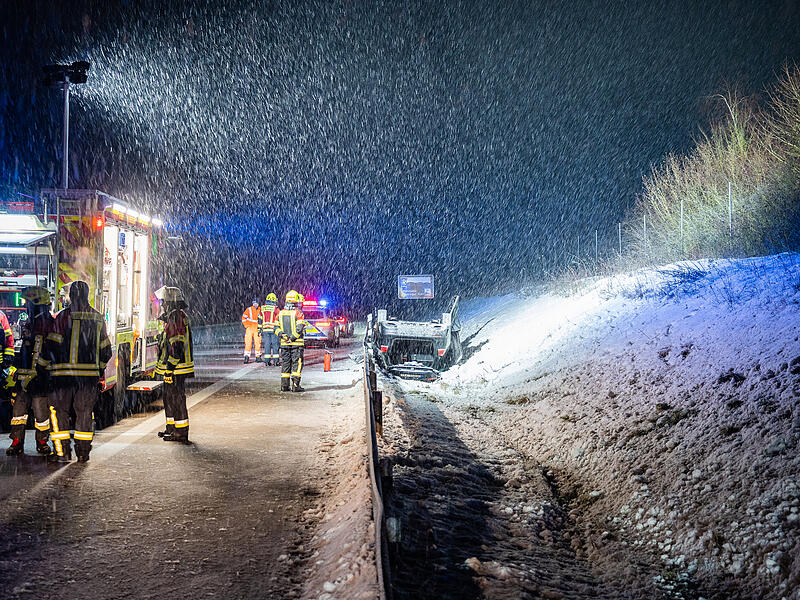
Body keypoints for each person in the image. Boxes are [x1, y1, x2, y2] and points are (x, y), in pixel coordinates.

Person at [45, 281, 112, 463]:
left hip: (62, 378)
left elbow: (50, 345)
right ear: (87, 295)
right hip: (88, 378)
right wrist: (98, 368)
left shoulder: (61, 318)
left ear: (72, 296)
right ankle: (83, 453)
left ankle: (62, 453)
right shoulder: (97, 318)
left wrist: (48, 368)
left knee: (60, 414)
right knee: (84, 414)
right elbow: (106, 350)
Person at [7, 287, 54, 456]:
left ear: (36, 304)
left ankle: (42, 442)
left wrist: (42, 372)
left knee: (41, 413)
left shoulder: (47, 324)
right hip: (27, 379)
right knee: (18, 412)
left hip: (40, 379)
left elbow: (51, 353)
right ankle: (17, 442)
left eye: (28, 303)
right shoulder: (31, 322)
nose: (26, 306)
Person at [154, 286, 194, 444]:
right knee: (169, 397)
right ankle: (171, 428)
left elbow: (176, 346)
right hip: (175, 369)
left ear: (170, 303)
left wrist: (169, 370)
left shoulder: (175, 318)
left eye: (164, 302)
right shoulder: (176, 316)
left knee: (176, 399)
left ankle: (181, 432)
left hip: (177, 369)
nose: (162, 305)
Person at [275, 290, 306, 392]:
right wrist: (292, 338)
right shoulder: (298, 313)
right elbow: (300, 328)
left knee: (286, 364)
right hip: (296, 344)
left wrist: (282, 335)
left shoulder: (280, 313)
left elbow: (275, 327)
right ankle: (296, 386)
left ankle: (284, 386)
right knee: (297, 364)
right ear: (296, 301)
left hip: (284, 344)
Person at [259, 293, 280, 367]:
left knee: (267, 346)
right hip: (273, 330)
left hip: (265, 330)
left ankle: (267, 362)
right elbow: (279, 318)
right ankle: (276, 361)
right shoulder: (275, 308)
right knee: (275, 345)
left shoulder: (262, 308)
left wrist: (259, 328)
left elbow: (260, 319)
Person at [241, 299, 261, 364]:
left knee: (258, 343)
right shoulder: (249, 309)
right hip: (250, 328)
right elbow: (243, 318)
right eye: (254, 303)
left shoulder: (260, 310)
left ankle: (258, 357)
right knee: (248, 343)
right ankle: (246, 357)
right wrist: (247, 326)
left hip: (257, 328)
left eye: (256, 303)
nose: (255, 304)